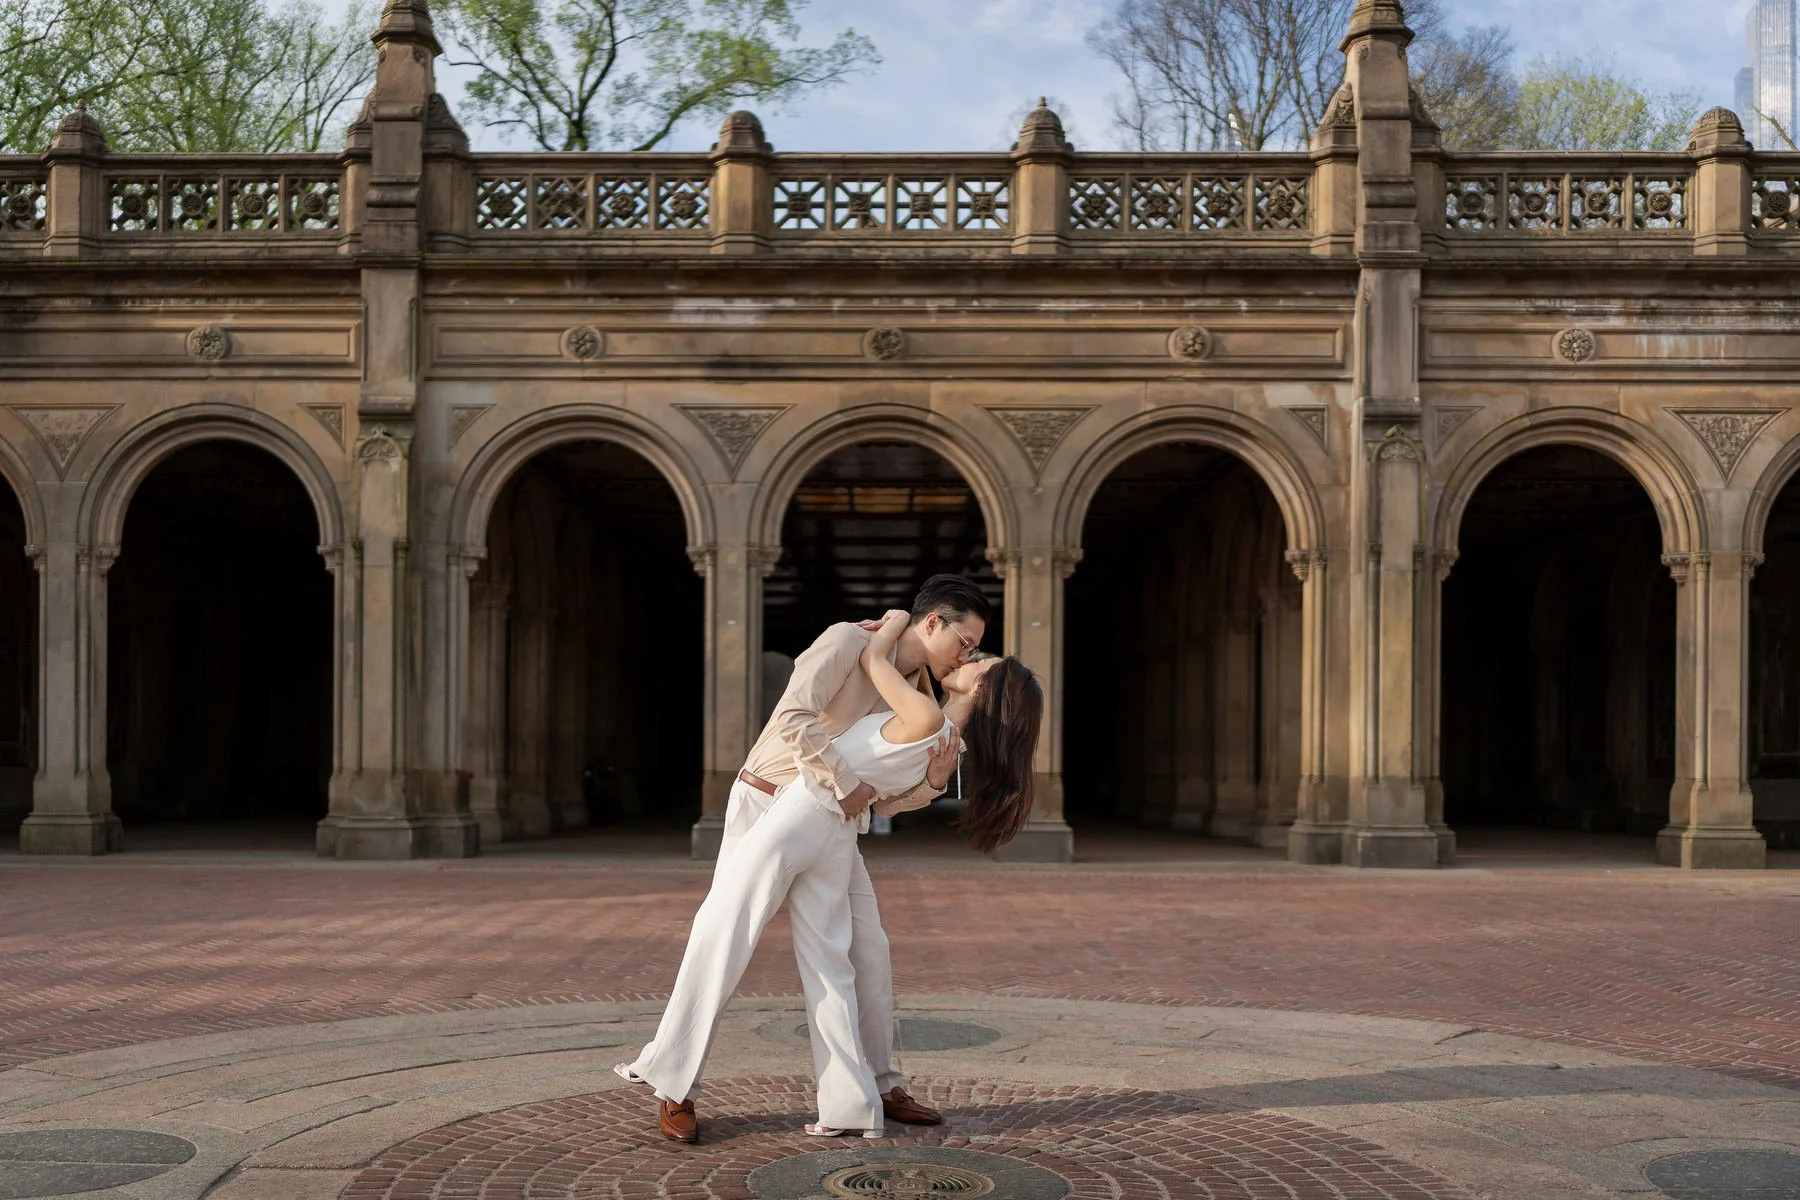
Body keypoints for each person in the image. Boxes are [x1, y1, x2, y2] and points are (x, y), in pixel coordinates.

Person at [615, 576, 1043, 1141]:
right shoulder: (847, 642)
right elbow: (794, 720)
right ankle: (675, 1087)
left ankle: (875, 1086)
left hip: (837, 825)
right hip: (767, 802)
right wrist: (846, 786)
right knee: (723, 935)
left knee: (868, 952)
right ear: (933, 622)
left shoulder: (917, 689)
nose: (967, 655)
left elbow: (883, 789)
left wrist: (933, 785)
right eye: (965, 643)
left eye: (975, 653)